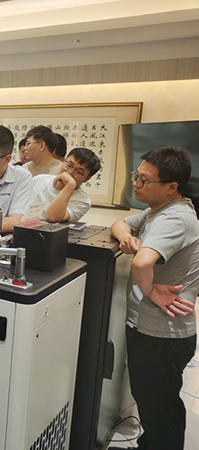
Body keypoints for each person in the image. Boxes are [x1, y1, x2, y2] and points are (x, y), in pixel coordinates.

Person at [109, 147, 198, 450]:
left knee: (160, 409)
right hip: (153, 329)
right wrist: (125, 236)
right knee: (153, 403)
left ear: (171, 187)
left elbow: (141, 262)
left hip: (163, 333)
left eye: (144, 180)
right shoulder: (156, 210)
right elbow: (121, 223)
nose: (135, 183)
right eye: (136, 175)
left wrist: (149, 291)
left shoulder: (174, 218)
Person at [29, 148, 101, 222]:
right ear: (63, 162)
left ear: (87, 179)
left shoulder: (82, 201)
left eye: (79, 172)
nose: (69, 173)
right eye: (69, 165)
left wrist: (70, 185)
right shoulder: (39, 180)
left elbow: (53, 218)